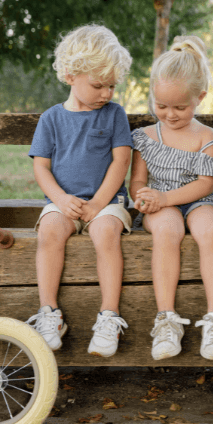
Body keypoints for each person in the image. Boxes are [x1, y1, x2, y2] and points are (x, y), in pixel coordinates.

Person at [26, 24, 133, 358]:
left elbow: (121, 162)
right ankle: (49, 314)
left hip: (107, 202)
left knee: (105, 234)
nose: (107, 93)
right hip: (64, 201)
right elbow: (41, 167)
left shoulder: (115, 115)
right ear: (71, 75)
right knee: (49, 233)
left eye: (112, 85)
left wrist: (99, 203)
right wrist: (59, 199)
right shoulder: (52, 119)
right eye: (99, 85)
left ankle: (108, 315)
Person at [129, 35, 213, 362]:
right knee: (168, 231)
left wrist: (165, 196)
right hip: (160, 206)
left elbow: (205, 185)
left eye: (180, 107)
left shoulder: (206, 137)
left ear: (199, 97)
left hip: (196, 199)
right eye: (161, 106)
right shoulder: (145, 137)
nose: (170, 115)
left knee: (210, 231)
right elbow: (139, 180)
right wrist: (143, 197)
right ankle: (166, 319)